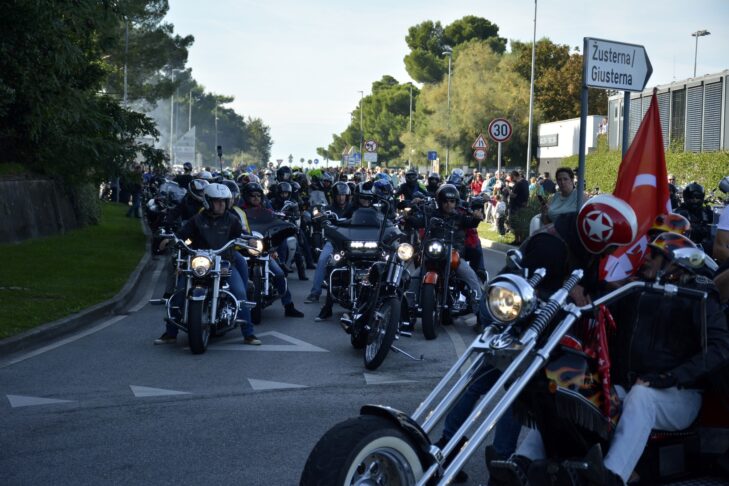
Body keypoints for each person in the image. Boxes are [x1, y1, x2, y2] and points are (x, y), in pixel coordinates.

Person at [500, 232, 729, 486]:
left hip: (680, 393)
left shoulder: (699, 297)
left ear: (674, 263)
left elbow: (719, 349)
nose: (646, 258)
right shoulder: (636, 290)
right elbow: (599, 304)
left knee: (642, 398)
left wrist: (668, 378)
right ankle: (522, 462)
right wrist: (575, 289)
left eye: (655, 254)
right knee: (566, 388)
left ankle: (611, 476)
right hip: (633, 388)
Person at [447, 194, 640, 484]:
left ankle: (448, 449)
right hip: (511, 317)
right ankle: (498, 462)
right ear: (599, 235)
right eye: (611, 244)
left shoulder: (575, 240)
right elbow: (537, 286)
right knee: (517, 391)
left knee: (488, 383)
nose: (612, 251)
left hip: (520, 319)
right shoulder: (551, 246)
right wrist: (566, 288)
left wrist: (610, 287)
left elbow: (581, 282)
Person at [154, 183, 261, 346]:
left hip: (224, 262)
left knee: (239, 292)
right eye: (218, 201)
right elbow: (185, 236)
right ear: (208, 201)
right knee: (180, 291)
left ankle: (249, 333)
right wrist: (173, 240)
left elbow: (241, 235)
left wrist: (250, 240)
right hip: (200, 262)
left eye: (224, 201)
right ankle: (170, 333)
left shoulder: (231, 220)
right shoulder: (197, 220)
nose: (222, 205)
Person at [407, 183, 485, 314]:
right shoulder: (431, 215)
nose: (449, 205)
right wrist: (409, 216)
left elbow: (471, 222)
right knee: (415, 277)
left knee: (471, 277)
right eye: (445, 201)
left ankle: (480, 310)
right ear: (439, 201)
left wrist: (477, 218)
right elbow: (417, 222)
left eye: (452, 201)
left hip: (454, 256)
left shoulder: (460, 217)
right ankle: (409, 307)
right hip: (433, 255)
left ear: (456, 202)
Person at [238, 183, 305, 318]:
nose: (256, 198)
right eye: (253, 195)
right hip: (243, 250)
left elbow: (275, 221)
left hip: (262, 250)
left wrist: (284, 221)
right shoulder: (238, 212)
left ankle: (289, 306)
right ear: (246, 196)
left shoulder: (266, 210)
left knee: (280, 274)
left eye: (258, 195)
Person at [304, 181, 354, 307]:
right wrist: (318, 215)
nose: (341, 197)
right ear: (333, 196)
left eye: (344, 195)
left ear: (347, 196)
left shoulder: (353, 209)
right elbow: (316, 211)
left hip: (351, 242)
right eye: (338, 195)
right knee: (322, 260)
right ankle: (315, 293)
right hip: (334, 241)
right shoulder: (328, 208)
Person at [676, 182, 715, 254]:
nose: (695, 200)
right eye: (691, 197)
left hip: (706, 250)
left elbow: (718, 226)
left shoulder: (706, 212)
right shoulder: (680, 213)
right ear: (686, 198)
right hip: (686, 249)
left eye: (698, 198)